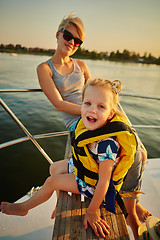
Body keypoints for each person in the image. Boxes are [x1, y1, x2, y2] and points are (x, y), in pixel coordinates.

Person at [0, 79, 151, 239]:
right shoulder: (89, 126)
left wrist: (92, 212)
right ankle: (59, 205)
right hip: (86, 168)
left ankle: (24, 208)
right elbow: (85, 148)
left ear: (111, 114)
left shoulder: (107, 145)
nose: (92, 110)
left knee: (52, 181)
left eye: (101, 106)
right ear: (82, 104)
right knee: (54, 168)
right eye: (88, 103)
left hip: (94, 186)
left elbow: (104, 182)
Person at [37, 12, 91, 133]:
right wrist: (89, 110)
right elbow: (59, 104)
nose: (71, 42)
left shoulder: (81, 65)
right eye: (68, 36)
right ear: (58, 34)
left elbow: (94, 93)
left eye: (77, 41)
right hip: (77, 124)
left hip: (94, 116)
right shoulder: (45, 68)